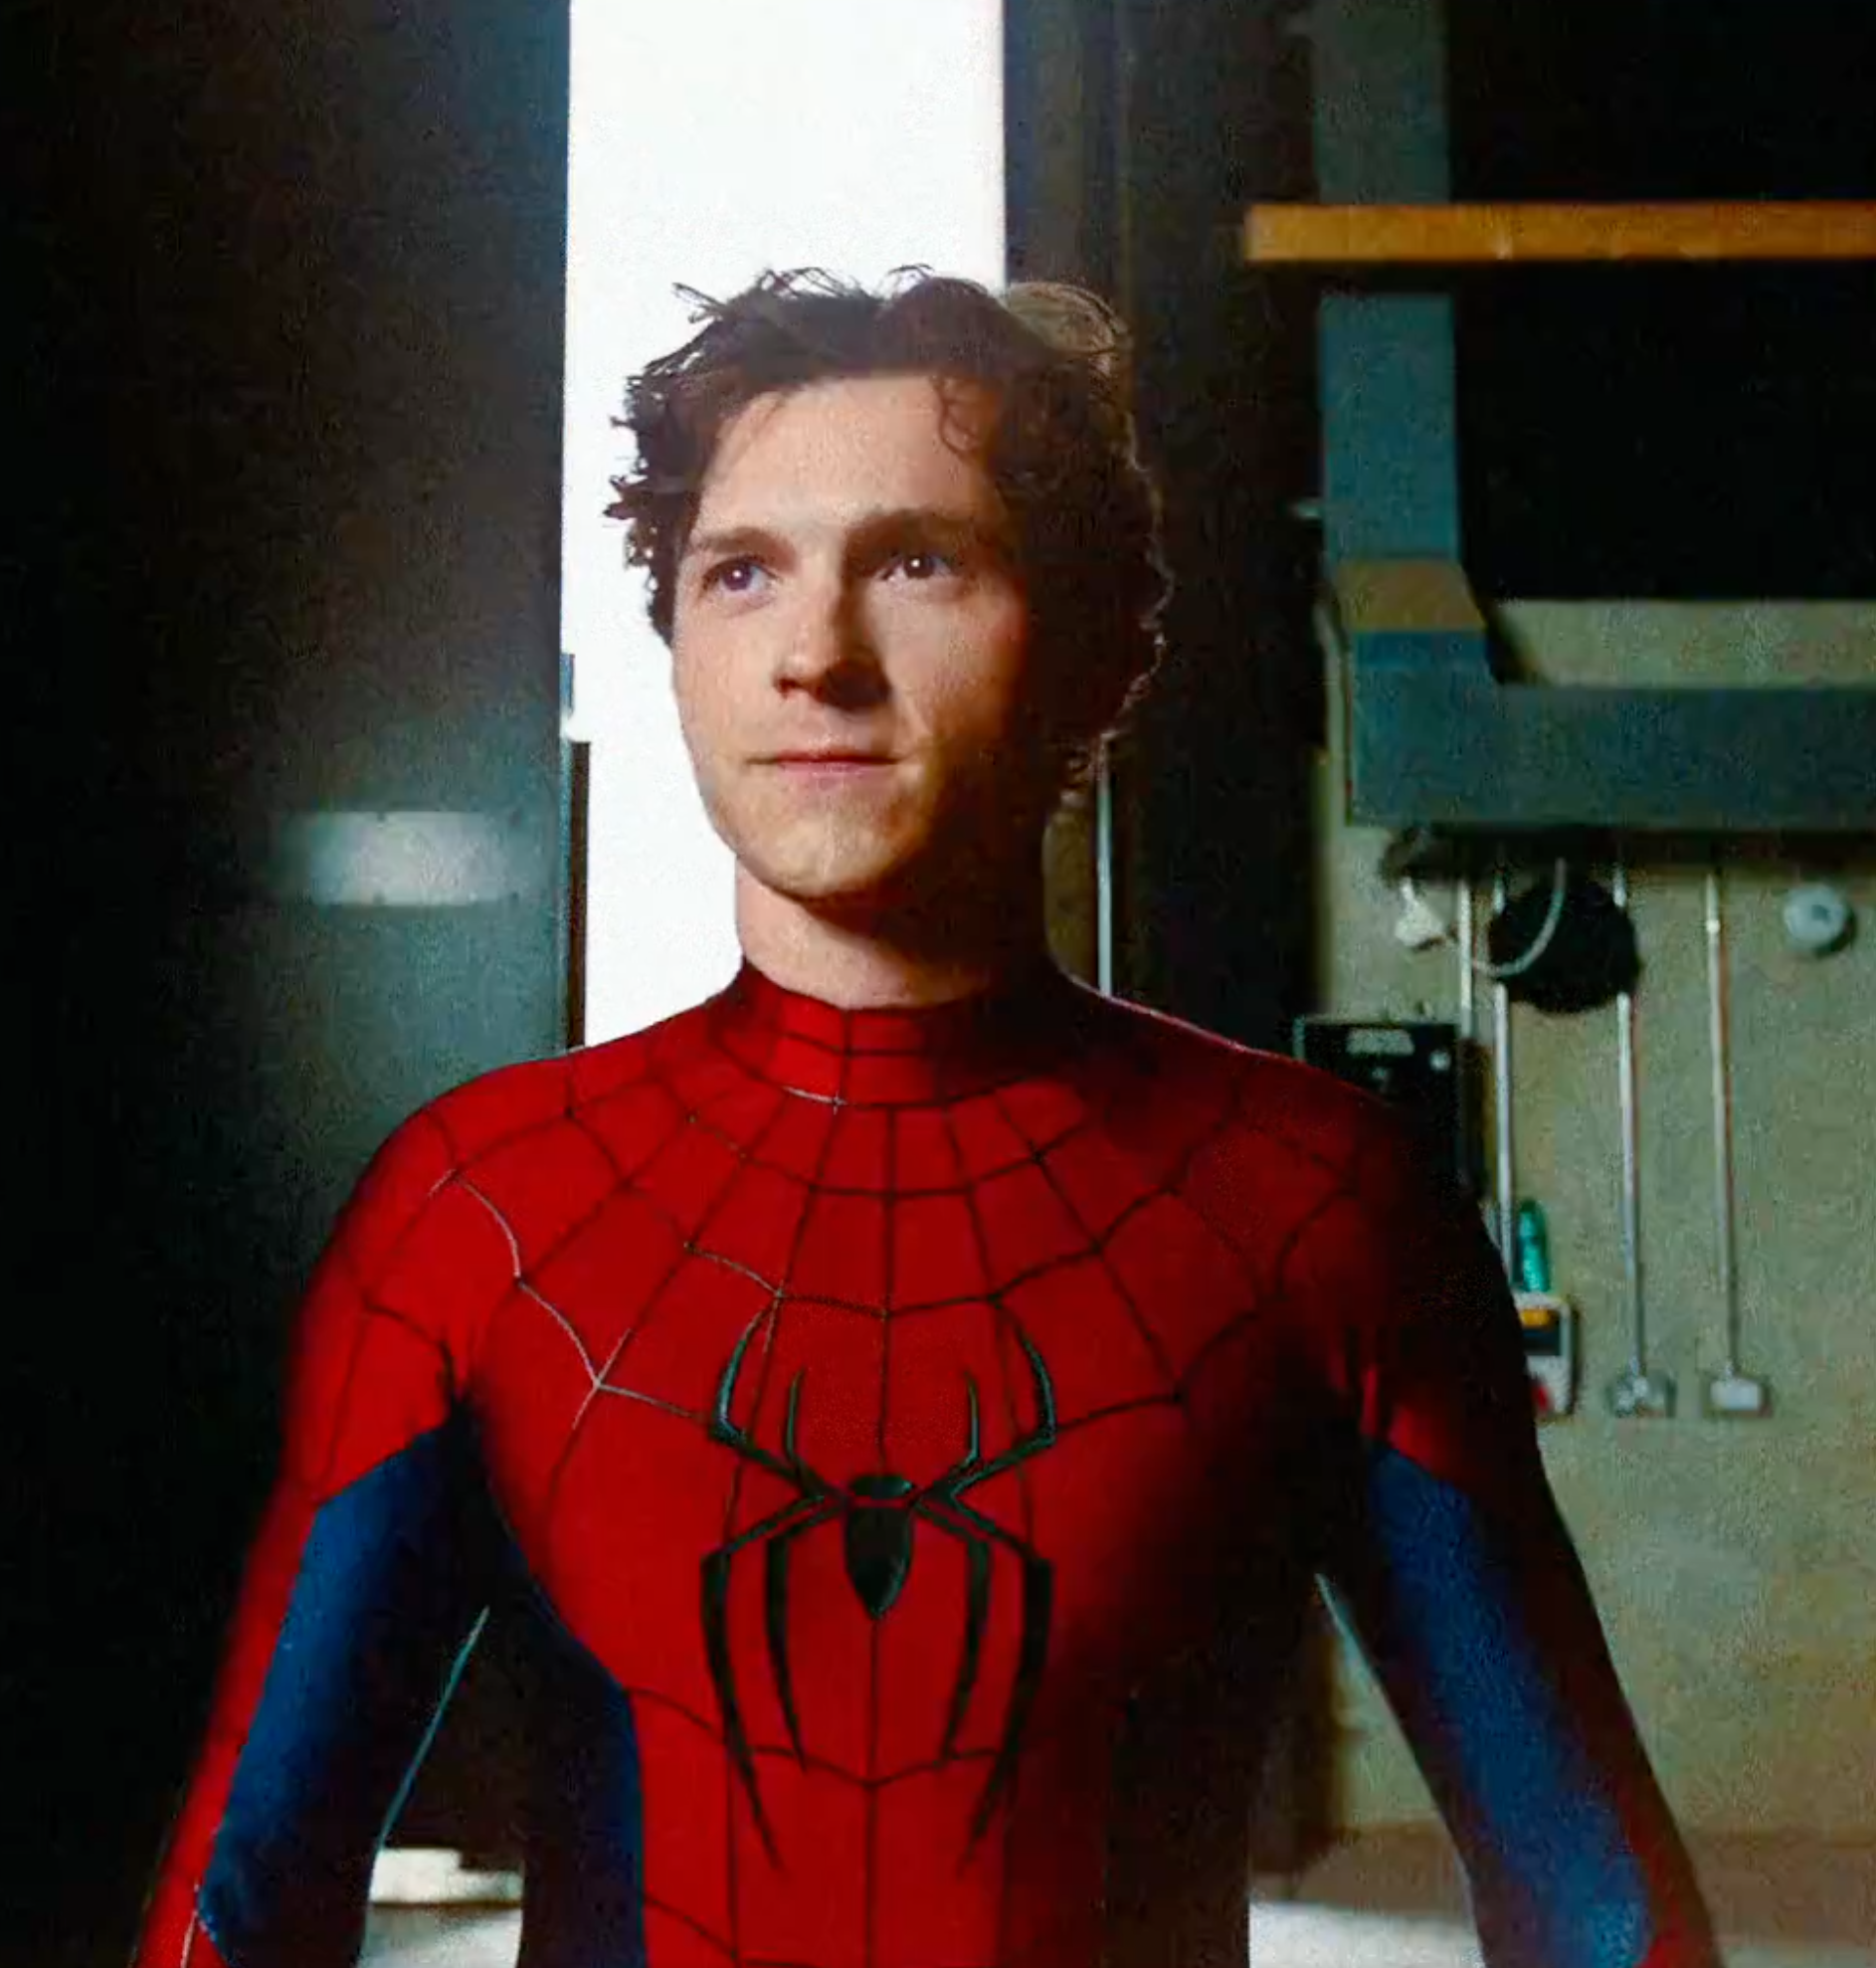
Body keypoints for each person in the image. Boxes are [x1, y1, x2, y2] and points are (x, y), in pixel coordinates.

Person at [134, 270, 1718, 1968]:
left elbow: (1597, 1902)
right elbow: (244, 1890)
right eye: (740, 571)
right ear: (677, 650)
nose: (814, 656)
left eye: (916, 562)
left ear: (1087, 651)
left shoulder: (1319, 1205)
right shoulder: (479, 1211)